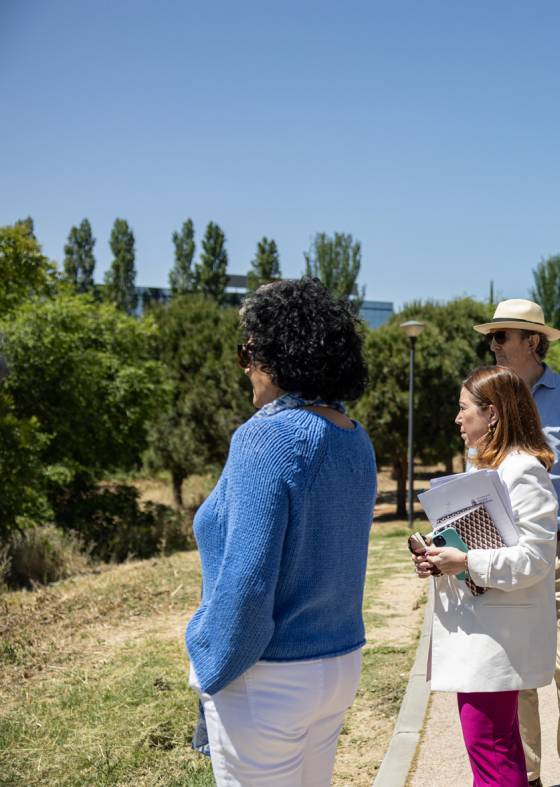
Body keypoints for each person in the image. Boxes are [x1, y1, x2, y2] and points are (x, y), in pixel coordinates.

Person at [185, 278, 377, 786]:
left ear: (281, 352)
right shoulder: (354, 438)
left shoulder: (267, 437)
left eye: (248, 351)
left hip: (269, 676)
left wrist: (206, 660)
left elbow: (247, 582)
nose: (245, 365)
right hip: (337, 663)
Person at [473, 299, 560, 787]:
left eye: (501, 337)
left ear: (531, 341)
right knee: (519, 668)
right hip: (510, 555)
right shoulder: (488, 400)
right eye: (491, 337)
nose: (492, 346)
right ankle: (528, 773)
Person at [413, 365, 559, 787]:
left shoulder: (522, 470)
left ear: (492, 414)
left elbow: (535, 557)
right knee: (494, 753)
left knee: (492, 755)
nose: (457, 419)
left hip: (498, 637)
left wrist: (464, 561)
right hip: (484, 629)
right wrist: (439, 559)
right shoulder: (490, 469)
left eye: (464, 409)